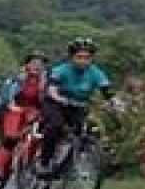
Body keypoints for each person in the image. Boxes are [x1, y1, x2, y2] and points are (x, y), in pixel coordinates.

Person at [39, 37, 110, 177]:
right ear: (71, 57)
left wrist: (116, 104)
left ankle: (67, 166)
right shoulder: (62, 70)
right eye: (79, 57)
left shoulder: (95, 72)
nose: (83, 61)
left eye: (87, 57)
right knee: (55, 125)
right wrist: (58, 97)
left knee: (84, 133)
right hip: (55, 103)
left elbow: (107, 91)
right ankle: (44, 163)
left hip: (77, 105)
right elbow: (52, 87)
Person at [0, 52, 49, 185]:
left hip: (34, 111)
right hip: (15, 108)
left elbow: (47, 100)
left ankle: (29, 164)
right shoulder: (17, 78)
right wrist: (11, 104)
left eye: (40, 64)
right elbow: (5, 93)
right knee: (11, 138)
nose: (37, 66)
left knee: (37, 137)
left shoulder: (46, 81)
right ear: (27, 64)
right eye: (34, 62)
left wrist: (43, 88)